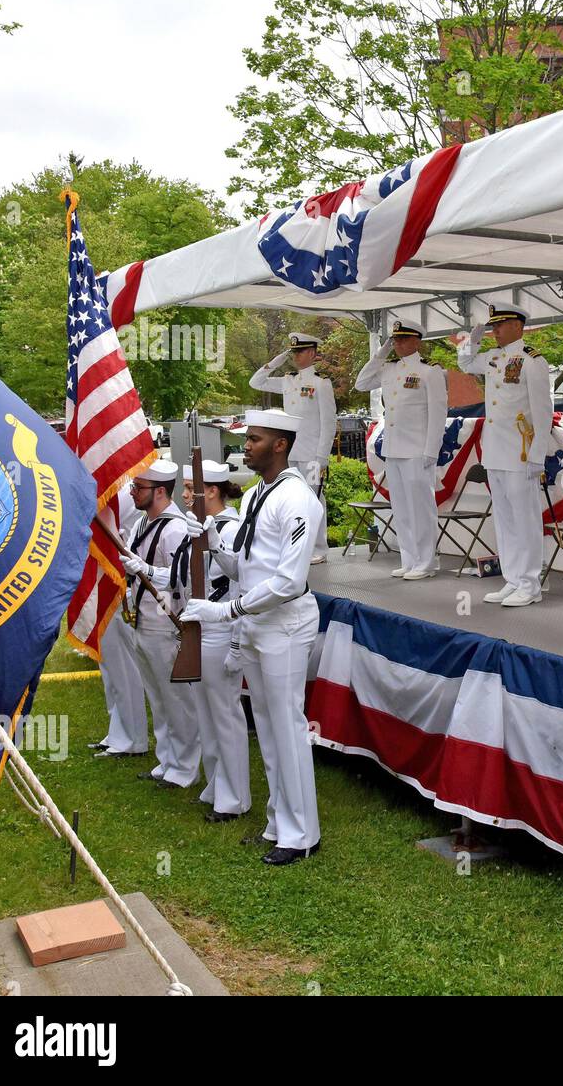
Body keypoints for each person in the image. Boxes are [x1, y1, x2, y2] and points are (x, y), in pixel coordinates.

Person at [180, 409, 325, 865]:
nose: (247, 444)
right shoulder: (259, 494)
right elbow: (243, 565)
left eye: (256, 439)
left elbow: (287, 581)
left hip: (285, 622)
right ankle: (278, 822)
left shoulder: (297, 498)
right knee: (265, 726)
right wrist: (213, 538)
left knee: (287, 727)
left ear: (280, 445)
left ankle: (302, 835)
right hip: (259, 624)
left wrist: (226, 611)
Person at [453, 306, 552, 607]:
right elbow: (466, 363)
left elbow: (543, 410)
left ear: (518, 325)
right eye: (493, 325)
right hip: (496, 451)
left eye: (501, 324)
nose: (495, 330)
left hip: (521, 452)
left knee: (525, 520)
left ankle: (530, 583)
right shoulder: (494, 358)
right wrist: (472, 339)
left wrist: (538, 456)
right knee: (505, 520)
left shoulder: (532, 361)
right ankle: (513, 578)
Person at [171, 460, 251, 822]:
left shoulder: (230, 530)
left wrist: (236, 643)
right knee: (207, 715)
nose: (185, 495)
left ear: (211, 492)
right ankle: (218, 785)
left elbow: (238, 584)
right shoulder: (197, 526)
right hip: (199, 628)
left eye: (190, 489)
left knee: (225, 717)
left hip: (220, 628)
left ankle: (234, 798)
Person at [120, 460, 202, 786]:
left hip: (164, 624)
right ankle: (166, 760)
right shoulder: (143, 522)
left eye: (138, 488)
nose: (132, 492)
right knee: (156, 697)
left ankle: (185, 768)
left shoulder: (175, 528)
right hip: (142, 621)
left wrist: (144, 568)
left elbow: (183, 577)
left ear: (159, 491)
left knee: (177, 701)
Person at [355, 318, 448, 580]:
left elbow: (438, 414)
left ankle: (427, 561)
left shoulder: (430, 371)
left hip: (418, 449)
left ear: (417, 341)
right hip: (394, 448)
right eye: (394, 339)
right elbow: (361, 383)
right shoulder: (388, 369)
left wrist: (432, 450)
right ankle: (409, 559)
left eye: (403, 339)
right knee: (402, 507)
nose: (397, 343)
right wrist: (380, 354)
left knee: (421, 508)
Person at [250, 332, 336, 564]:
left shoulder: (321, 383)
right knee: (292, 499)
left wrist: (322, 457)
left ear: (311, 353)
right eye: (293, 352)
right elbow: (256, 382)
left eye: (299, 352)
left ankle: (319, 548)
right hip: (290, 453)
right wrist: (277, 360)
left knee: (314, 499)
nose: (295, 356)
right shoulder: (288, 380)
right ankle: (298, 546)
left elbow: (329, 422)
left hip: (311, 453)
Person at [90, 482, 149, 758]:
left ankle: (132, 738)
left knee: (122, 667)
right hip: (105, 581)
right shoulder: (114, 484)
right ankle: (118, 732)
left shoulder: (120, 488)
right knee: (109, 666)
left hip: (119, 585)